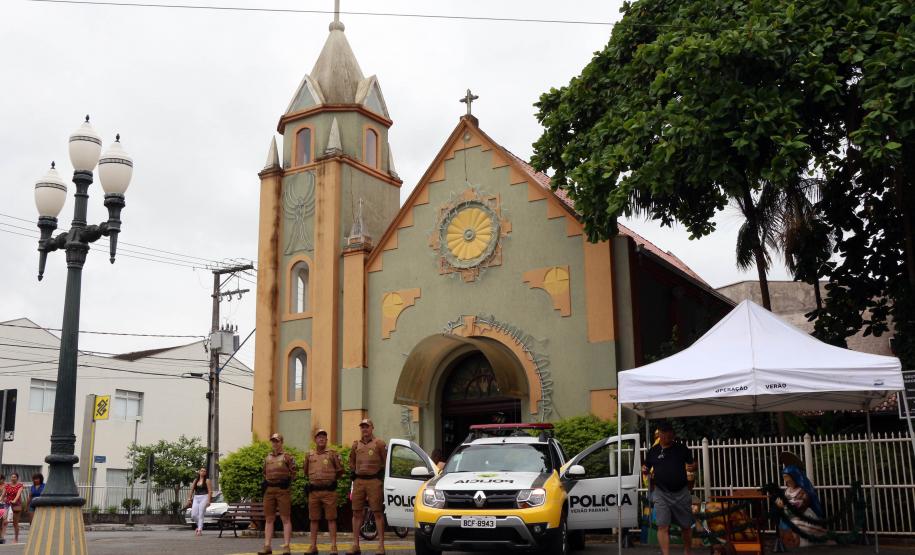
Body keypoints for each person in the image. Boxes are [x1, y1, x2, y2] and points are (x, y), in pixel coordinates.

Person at [642, 421, 697, 555]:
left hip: (681, 492)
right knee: (662, 526)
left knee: (686, 526)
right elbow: (646, 467)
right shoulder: (653, 451)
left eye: (670, 432)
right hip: (661, 493)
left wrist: (693, 466)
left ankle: (687, 552)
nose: (668, 435)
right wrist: (644, 469)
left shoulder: (681, 448)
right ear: (659, 434)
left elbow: (693, 464)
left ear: (673, 434)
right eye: (665, 432)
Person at [347, 418, 387, 555]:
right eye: (362, 427)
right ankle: (355, 545)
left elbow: (386, 461)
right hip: (359, 482)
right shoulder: (355, 445)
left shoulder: (379, 444)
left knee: (377, 512)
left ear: (372, 428)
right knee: (356, 512)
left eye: (367, 426)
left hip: (374, 481)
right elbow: (351, 461)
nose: (364, 429)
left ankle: (381, 545)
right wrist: (354, 472)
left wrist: (381, 476)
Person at [303, 429, 344, 555]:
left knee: (331, 519)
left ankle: (333, 546)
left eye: (323, 437)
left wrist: (331, 481)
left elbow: (340, 470)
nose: (321, 439)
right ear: (315, 440)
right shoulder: (309, 455)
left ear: (326, 440)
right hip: (314, 492)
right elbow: (305, 472)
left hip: (328, 492)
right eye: (319, 437)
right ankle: (313, 546)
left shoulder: (332, 454)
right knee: (313, 519)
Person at [259, 433, 297, 555]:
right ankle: (267, 546)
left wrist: (288, 481)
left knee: (285, 518)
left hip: (282, 490)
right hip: (269, 490)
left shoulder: (287, 457)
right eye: (273, 441)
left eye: (277, 441)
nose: (275, 443)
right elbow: (264, 472)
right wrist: (265, 483)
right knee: (269, 518)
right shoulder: (267, 458)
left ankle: (286, 546)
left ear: (281, 442)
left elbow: (294, 473)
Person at [776, 465, 825, 547]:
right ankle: (786, 542)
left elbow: (801, 505)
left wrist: (787, 506)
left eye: (787, 477)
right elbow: (781, 501)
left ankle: (797, 542)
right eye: (784, 478)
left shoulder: (802, 491)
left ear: (794, 477)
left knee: (796, 524)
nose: (786, 480)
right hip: (788, 514)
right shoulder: (787, 490)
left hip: (801, 515)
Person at [187, 467, 212, 536]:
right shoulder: (196, 480)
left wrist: (209, 501)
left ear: (205, 473)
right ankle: (200, 526)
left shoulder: (207, 480)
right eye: (201, 471)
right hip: (196, 497)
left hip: (204, 497)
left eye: (204, 471)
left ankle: (199, 529)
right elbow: (191, 490)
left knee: (201, 514)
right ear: (199, 472)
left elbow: (210, 491)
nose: (203, 472)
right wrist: (189, 499)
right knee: (193, 515)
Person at [4, 473, 24, 544]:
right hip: (7, 504)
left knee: (15, 523)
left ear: (17, 478)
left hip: (16, 505)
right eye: (12, 477)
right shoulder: (7, 485)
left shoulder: (20, 485)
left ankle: (16, 539)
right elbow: (3, 495)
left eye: (14, 477)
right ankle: (2, 537)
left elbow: (18, 494)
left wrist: (14, 500)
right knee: (4, 520)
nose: (13, 478)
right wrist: (0, 498)